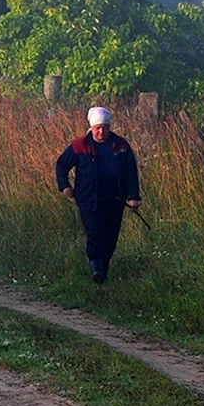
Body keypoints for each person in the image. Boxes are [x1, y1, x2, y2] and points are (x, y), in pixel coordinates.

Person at [55, 106, 141, 284]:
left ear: (109, 127)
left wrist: (133, 196)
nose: (101, 131)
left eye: (105, 127)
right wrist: (65, 186)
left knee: (111, 235)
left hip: (115, 200)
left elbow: (131, 172)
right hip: (88, 200)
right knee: (95, 232)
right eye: (98, 128)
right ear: (91, 128)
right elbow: (62, 165)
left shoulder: (121, 145)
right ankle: (96, 268)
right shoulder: (80, 145)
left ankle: (104, 270)